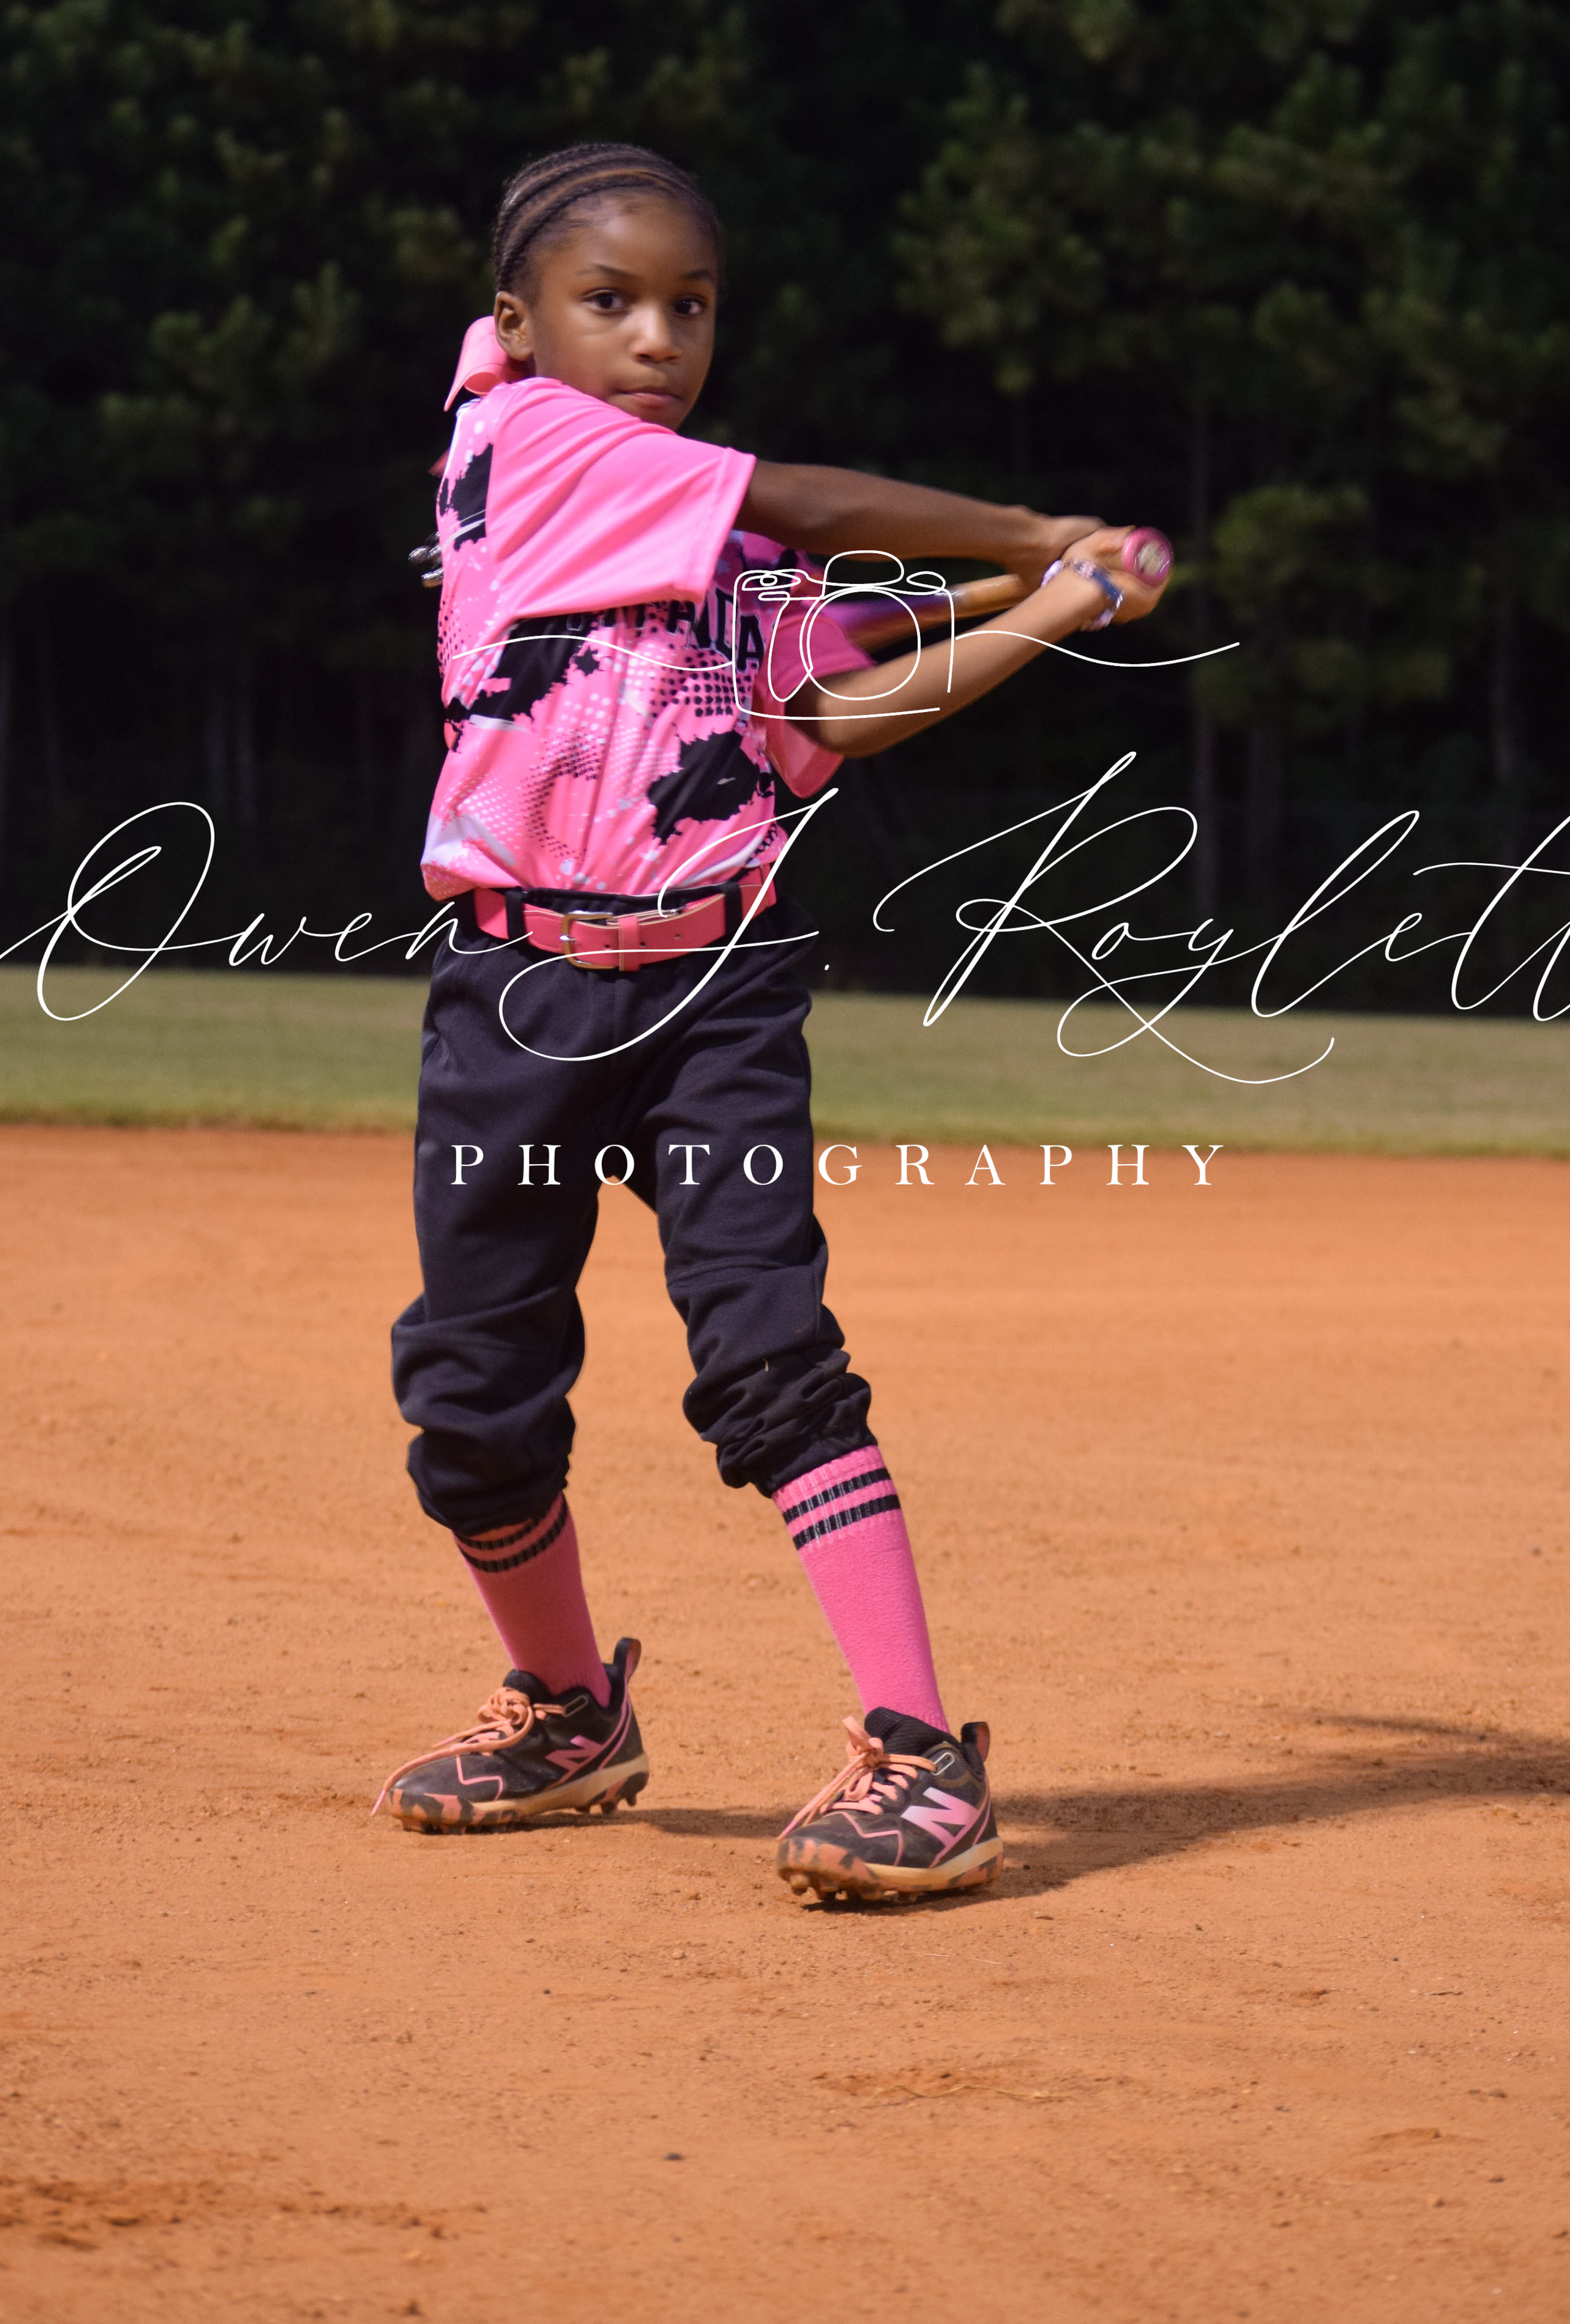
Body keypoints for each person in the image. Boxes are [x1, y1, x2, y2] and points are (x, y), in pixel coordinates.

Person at [376, 141, 1167, 1903]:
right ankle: (566, 1709)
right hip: (517, 996)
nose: (659, 336)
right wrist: (1036, 533)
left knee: (766, 1348)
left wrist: (1051, 608)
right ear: (519, 324)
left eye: (692, 305)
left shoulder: (711, 543)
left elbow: (844, 708)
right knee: (473, 1390)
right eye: (611, 300)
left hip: (715, 992)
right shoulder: (525, 442)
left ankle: (920, 1752)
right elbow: (808, 503)